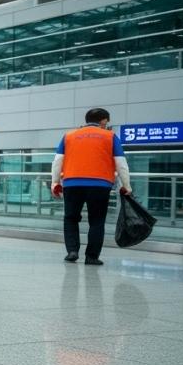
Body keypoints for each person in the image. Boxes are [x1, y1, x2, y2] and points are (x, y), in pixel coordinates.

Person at [51, 108, 131, 265]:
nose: (106, 125)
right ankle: (92, 257)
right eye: (106, 122)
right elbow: (121, 164)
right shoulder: (110, 136)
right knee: (97, 221)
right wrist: (126, 186)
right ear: (103, 121)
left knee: (71, 218)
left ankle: (72, 251)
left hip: (72, 183)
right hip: (100, 184)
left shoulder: (69, 136)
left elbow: (57, 161)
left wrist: (55, 182)